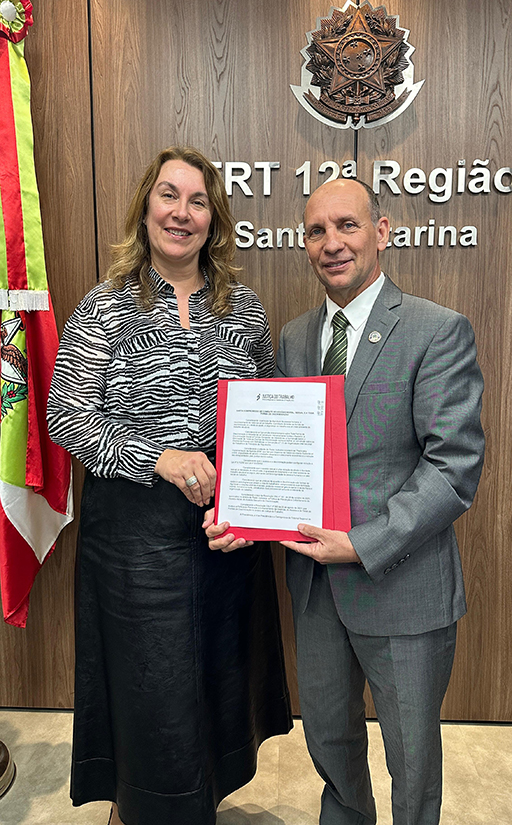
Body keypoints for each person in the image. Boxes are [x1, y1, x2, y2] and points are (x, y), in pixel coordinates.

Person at [206, 178, 485, 825]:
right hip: (313, 588)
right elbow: (280, 449)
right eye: (316, 230)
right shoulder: (297, 336)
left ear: (381, 232)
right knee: (329, 740)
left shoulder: (436, 329)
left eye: (347, 225)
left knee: (412, 759)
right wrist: (244, 509)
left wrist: (363, 541)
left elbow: (454, 466)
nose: (332, 243)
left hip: (401, 586)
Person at [47, 146, 291, 825]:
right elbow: (66, 414)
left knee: (216, 678)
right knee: (148, 686)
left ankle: (199, 802)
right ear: (145, 208)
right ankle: (134, 809)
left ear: (214, 219)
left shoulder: (244, 308)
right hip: (131, 537)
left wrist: (250, 501)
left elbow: (268, 411)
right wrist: (160, 457)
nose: (181, 213)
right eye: (168, 196)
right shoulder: (106, 307)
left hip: (224, 533)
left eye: (197, 201)